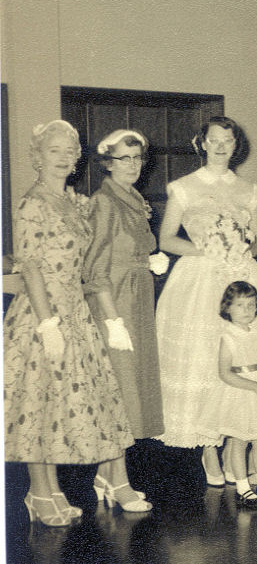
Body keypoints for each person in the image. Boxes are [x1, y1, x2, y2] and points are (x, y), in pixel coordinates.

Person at [4, 120, 133, 526]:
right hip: (43, 313)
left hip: (76, 311)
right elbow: (32, 268)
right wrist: (47, 324)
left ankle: (53, 490)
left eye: (69, 151)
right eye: (53, 151)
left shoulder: (75, 203)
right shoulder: (31, 204)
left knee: (60, 406)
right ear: (37, 157)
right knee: (38, 404)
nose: (62, 158)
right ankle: (39, 492)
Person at [154, 116, 257, 488]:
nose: (222, 146)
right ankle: (209, 445)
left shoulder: (249, 189)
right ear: (203, 143)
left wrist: (245, 249)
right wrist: (205, 250)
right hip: (200, 278)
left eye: (228, 140)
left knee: (246, 356)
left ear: (235, 144)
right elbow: (166, 240)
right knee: (206, 357)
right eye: (215, 140)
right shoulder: (183, 188)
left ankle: (235, 444)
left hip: (242, 276)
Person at [83, 129, 170, 512]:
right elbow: (94, 267)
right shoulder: (104, 202)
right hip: (115, 305)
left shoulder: (132, 199)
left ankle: (106, 474)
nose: (132, 166)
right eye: (124, 159)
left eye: (137, 158)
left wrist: (147, 261)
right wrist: (112, 320)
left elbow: (128, 248)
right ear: (107, 162)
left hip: (136, 300)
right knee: (119, 392)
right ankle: (119, 483)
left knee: (130, 387)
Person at [197, 281, 257, 509]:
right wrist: (253, 386)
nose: (247, 310)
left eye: (251, 305)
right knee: (239, 442)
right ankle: (243, 488)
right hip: (241, 394)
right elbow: (224, 373)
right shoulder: (228, 337)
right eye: (240, 305)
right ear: (227, 308)